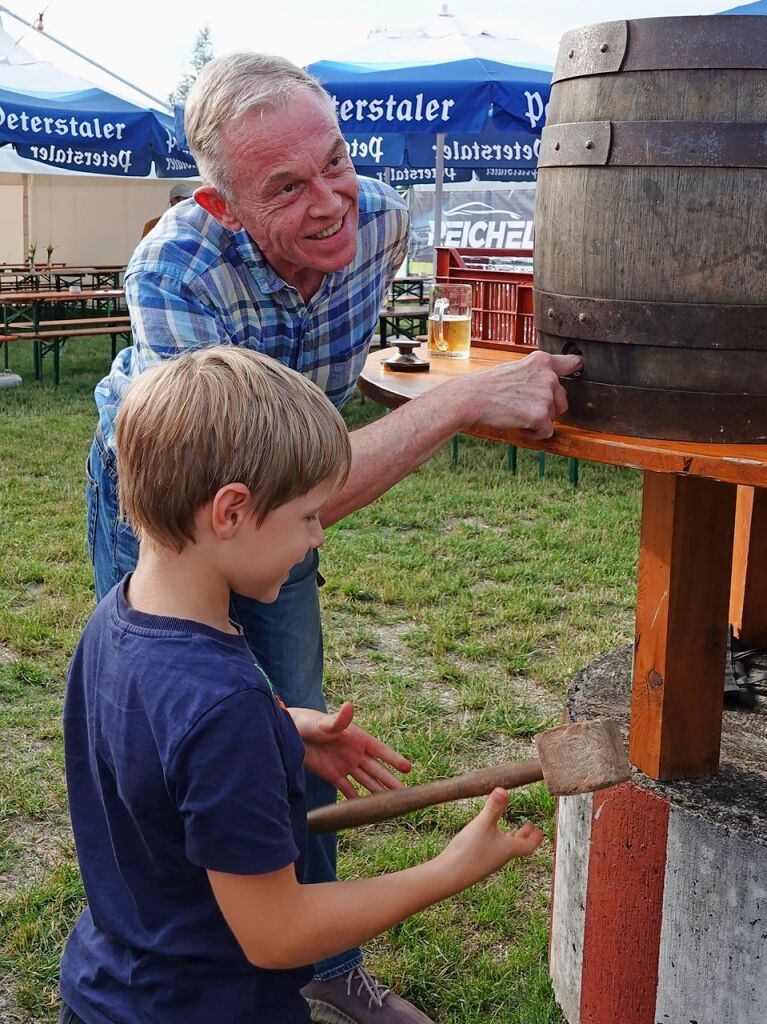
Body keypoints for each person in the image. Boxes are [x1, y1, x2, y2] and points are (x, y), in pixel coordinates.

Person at [86, 52, 580, 1024]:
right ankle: (210, 930)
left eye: (336, 162)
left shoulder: (383, 222)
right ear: (223, 206)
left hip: (273, 494)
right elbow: (260, 491)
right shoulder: (175, 268)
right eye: (287, 186)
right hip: (161, 497)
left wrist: (273, 718)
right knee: (176, 720)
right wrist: (464, 401)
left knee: (289, 727)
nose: (330, 203)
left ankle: (320, 963)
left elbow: (288, 493)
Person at [60, 348, 544, 1024]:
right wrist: (447, 871)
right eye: (308, 516)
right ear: (229, 512)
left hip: (112, 986)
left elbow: (153, 748)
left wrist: (280, 729)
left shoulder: (117, 617)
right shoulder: (224, 710)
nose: (317, 537)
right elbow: (277, 933)